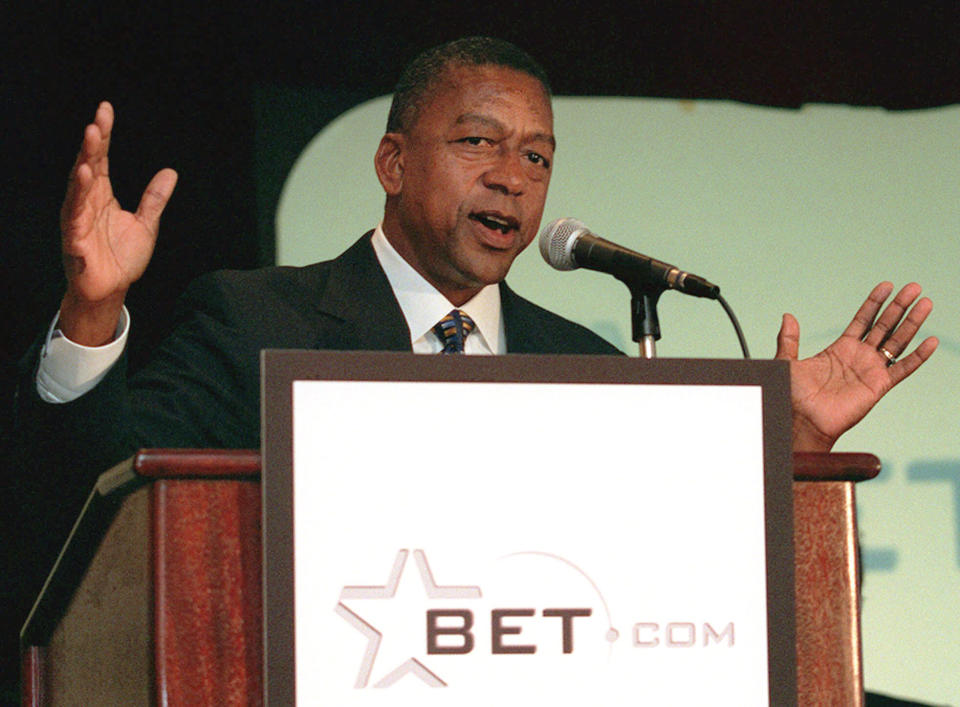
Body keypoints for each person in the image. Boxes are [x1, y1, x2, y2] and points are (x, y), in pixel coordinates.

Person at [16, 36, 938, 488]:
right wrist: (91, 315)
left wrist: (793, 449)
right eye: (477, 142)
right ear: (392, 162)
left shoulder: (587, 367)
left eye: (536, 156)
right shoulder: (253, 322)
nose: (511, 179)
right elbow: (98, 504)